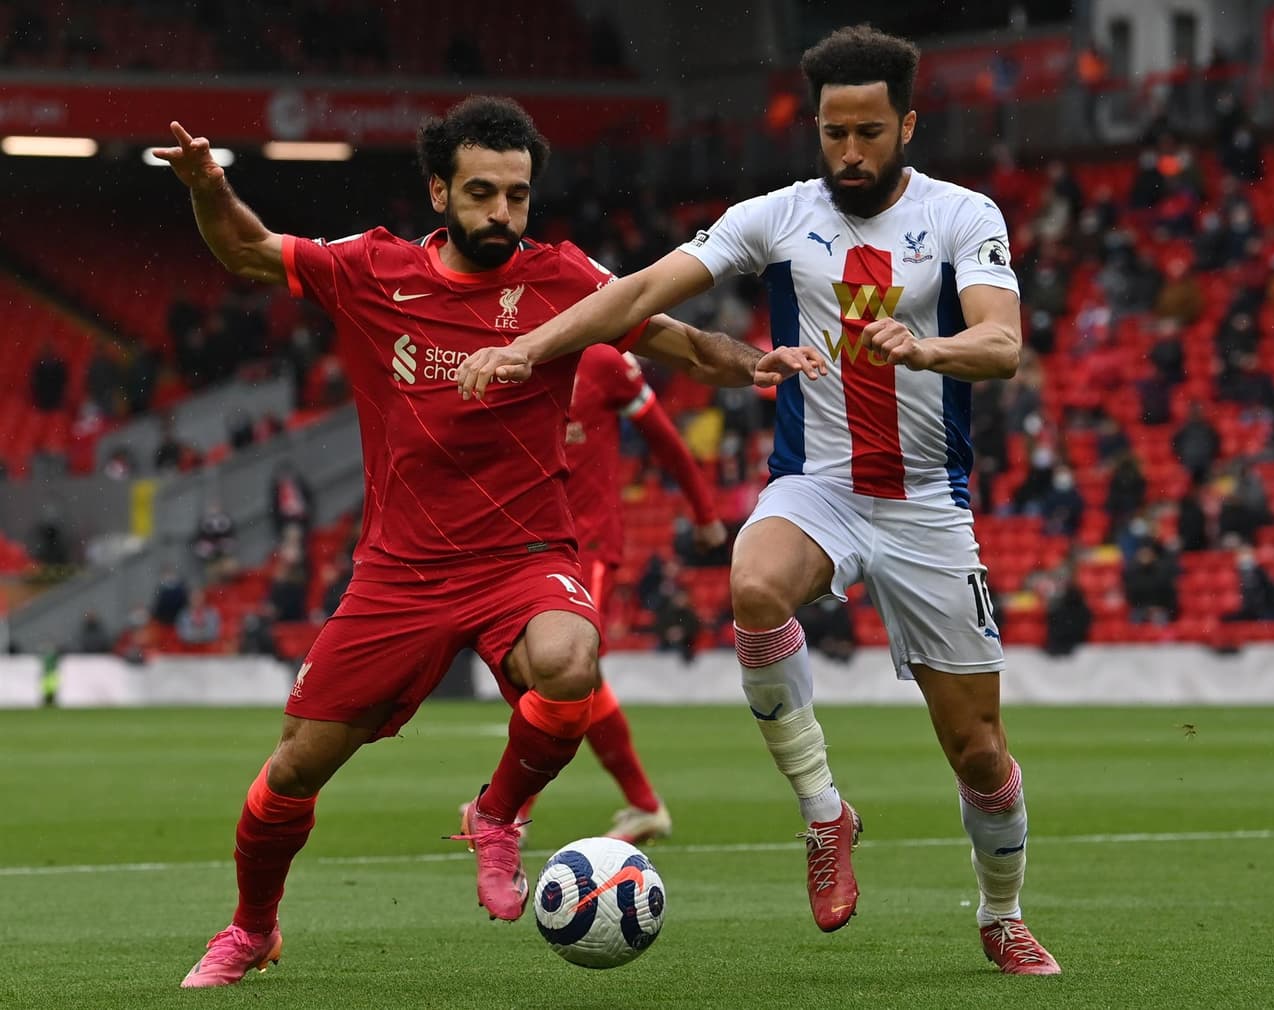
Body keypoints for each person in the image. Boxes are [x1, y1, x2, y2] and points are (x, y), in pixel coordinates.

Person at [156, 96, 819, 988]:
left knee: (572, 664)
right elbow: (247, 250)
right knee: (294, 770)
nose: (503, 212)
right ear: (439, 191)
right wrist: (208, 185)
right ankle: (251, 928)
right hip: (400, 573)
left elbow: (677, 342)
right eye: (481, 193)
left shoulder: (562, 277)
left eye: (517, 194)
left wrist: (754, 364)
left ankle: (498, 814)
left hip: (525, 558)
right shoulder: (373, 268)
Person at [458, 25, 1060, 975]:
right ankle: (825, 816)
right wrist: (528, 348)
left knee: (980, 752)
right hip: (816, 486)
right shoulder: (778, 216)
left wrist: (926, 347)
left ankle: (1001, 913)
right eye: (833, 133)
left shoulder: (960, 215)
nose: (849, 152)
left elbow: (1002, 344)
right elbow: (641, 292)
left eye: (868, 133)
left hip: (925, 506)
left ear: (907, 125)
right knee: (753, 584)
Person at [505, 344, 729, 844]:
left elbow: (663, 437)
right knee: (563, 675)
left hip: (586, 543)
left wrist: (705, 512)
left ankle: (512, 813)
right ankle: (643, 805)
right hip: (530, 543)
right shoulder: (514, 354)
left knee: (564, 669)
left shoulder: (603, 362)